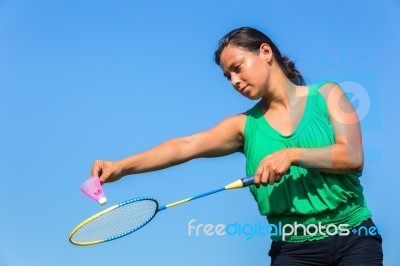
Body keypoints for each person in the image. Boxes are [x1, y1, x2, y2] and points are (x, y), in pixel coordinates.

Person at [90, 27, 383, 265]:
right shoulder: (244, 126)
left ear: (265, 52)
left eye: (237, 68)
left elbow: (353, 157)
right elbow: (186, 145)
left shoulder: (328, 95)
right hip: (293, 251)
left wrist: (292, 155)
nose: (234, 80)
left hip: (355, 237)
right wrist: (121, 167)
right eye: (228, 76)